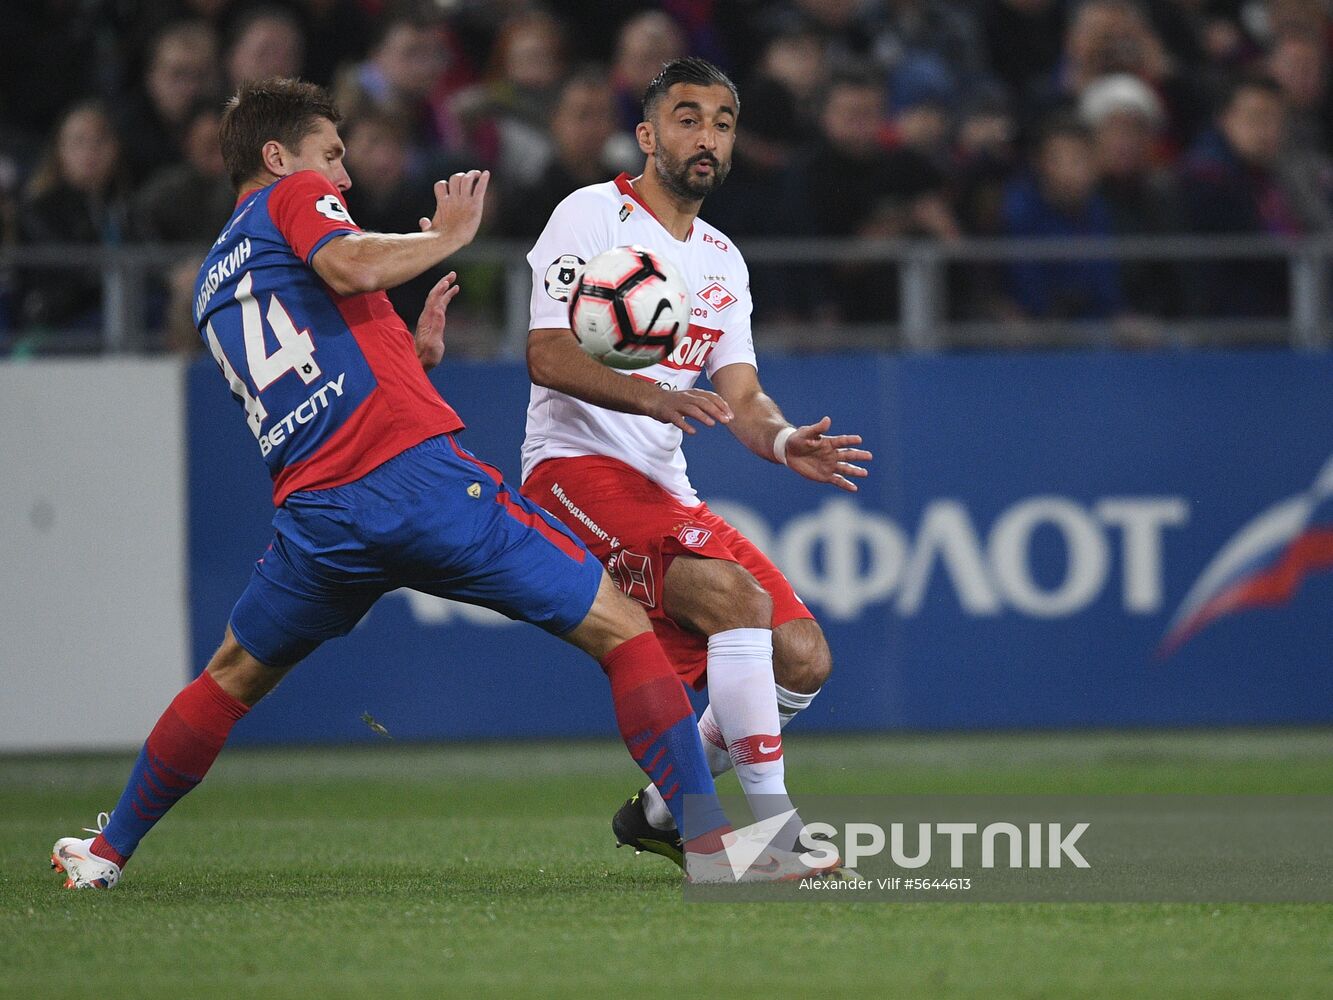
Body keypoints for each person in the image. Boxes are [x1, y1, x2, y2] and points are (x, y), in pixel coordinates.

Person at [49, 77, 823, 890]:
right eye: (330, 155)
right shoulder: (294, 201)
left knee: (230, 677)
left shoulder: (212, 283)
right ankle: (706, 847)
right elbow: (347, 264)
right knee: (624, 630)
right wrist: (446, 236)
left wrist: (407, 358)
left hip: (317, 520)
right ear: (278, 159)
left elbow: (307, 372)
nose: (341, 179)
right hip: (418, 486)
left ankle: (104, 856)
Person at [518, 58, 871, 867]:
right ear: (647, 135)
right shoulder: (591, 216)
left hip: (661, 483)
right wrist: (649, 398)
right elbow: (544, 354)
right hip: (573, 468)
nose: (705, 136)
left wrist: (785, 442)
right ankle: (775, 836)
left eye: (721, 121)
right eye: (686, 117)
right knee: (733, 599)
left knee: (803, 656)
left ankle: (655, 811)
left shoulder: (721, 259)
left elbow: (743, 397)